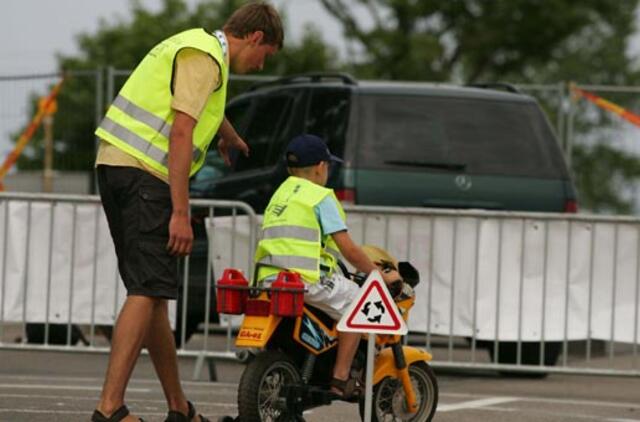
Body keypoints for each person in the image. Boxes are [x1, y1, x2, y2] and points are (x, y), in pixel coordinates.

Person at [92, 3, 283, 421]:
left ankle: (180, 408)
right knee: (145, 291)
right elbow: (181, 129)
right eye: (265, 53)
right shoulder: (206, 56)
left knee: (155, 293)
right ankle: (109, 410)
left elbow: (193, 107)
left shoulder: (194, 45)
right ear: (254, 37)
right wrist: (181, 211)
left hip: (118, 166)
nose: (261, 62)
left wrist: (226, 133)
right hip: (146, 175)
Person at [253, 134, 394, 399]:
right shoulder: (320, 196)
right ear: (320, 167)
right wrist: (376, 274)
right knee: (357, 305)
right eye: (328, 166)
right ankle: (340, 378)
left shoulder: (280, 194)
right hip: (305, 279)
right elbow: (349, 249)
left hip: (270, 279)